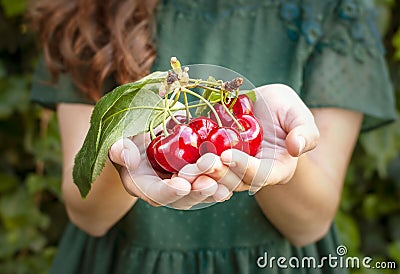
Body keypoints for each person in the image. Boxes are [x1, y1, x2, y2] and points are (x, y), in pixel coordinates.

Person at [28, 0, 396, 273]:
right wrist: (120, 151)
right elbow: (87, 213)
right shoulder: (86, 9)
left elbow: (311, 224)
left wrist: (278, 154)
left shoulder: (333, 10)